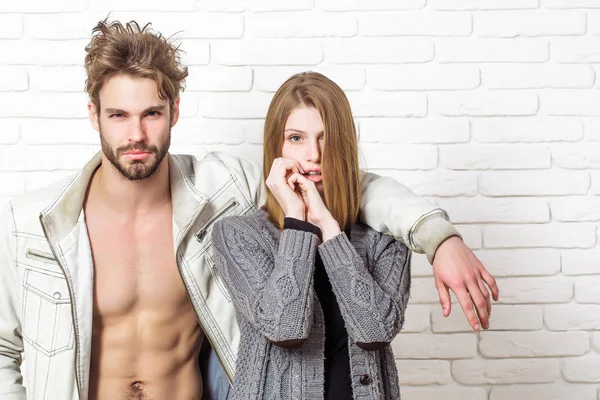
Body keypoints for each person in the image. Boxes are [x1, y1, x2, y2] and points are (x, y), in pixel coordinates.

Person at [0, 19, 497, 400]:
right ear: (94, 116)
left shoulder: (224, 190)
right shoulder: (34, 224)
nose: (136, 135)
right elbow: (5, 350)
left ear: (174, 109)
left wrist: (439, 238)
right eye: (118, 115)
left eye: (151, 113)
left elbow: (345, 185)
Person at [212, 71, 411, 399]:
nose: (313, 154)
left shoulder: (383, 238)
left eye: (325, 137)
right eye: (296, 138)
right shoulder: (237, 235)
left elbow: (376, 331)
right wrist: (297, 220)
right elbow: (284, 327)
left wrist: (329, 228)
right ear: (276, 144)